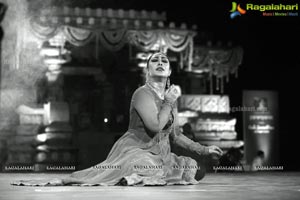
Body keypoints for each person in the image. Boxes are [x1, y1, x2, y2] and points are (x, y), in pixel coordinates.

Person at [12, 52, 223, 186]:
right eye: (154, 61)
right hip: (136, 149)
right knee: (144, 168)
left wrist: (203, 149)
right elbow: (155, 126)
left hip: (162, 155)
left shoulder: (169, 99)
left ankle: (156, 170)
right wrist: (168, 102)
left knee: (194, 169)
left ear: (168, 71)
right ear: (148, 71)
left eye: (164, 61)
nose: (160, 62)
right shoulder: (142, 94)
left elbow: (175, 136)